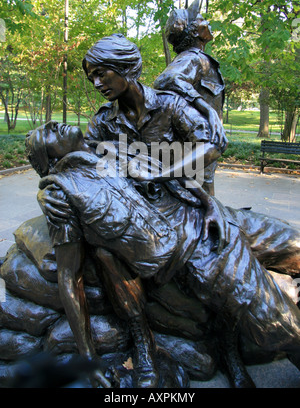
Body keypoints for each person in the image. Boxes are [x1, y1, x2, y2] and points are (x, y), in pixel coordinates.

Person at [26, 121, 300, 389]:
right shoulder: (61, 194)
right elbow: (69, 277)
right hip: (194, 249)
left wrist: (210, 204)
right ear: (48, 160)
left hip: (217, 216)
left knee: (296, 245)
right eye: (44, 134)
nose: (52, 125)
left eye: (49, 124)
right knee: (279, 324)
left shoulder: (111, 146)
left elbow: (172, 170)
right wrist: (88, 358)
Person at [153, 0, 226, 195]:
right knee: (199, 199)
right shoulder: (194, 58)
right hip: (196, 144)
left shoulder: (198, 59)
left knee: (203, 195)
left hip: (204, 144)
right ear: (194, 32)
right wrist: (206, 108)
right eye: (202, 20)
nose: (207, 23)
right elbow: (166, 79)